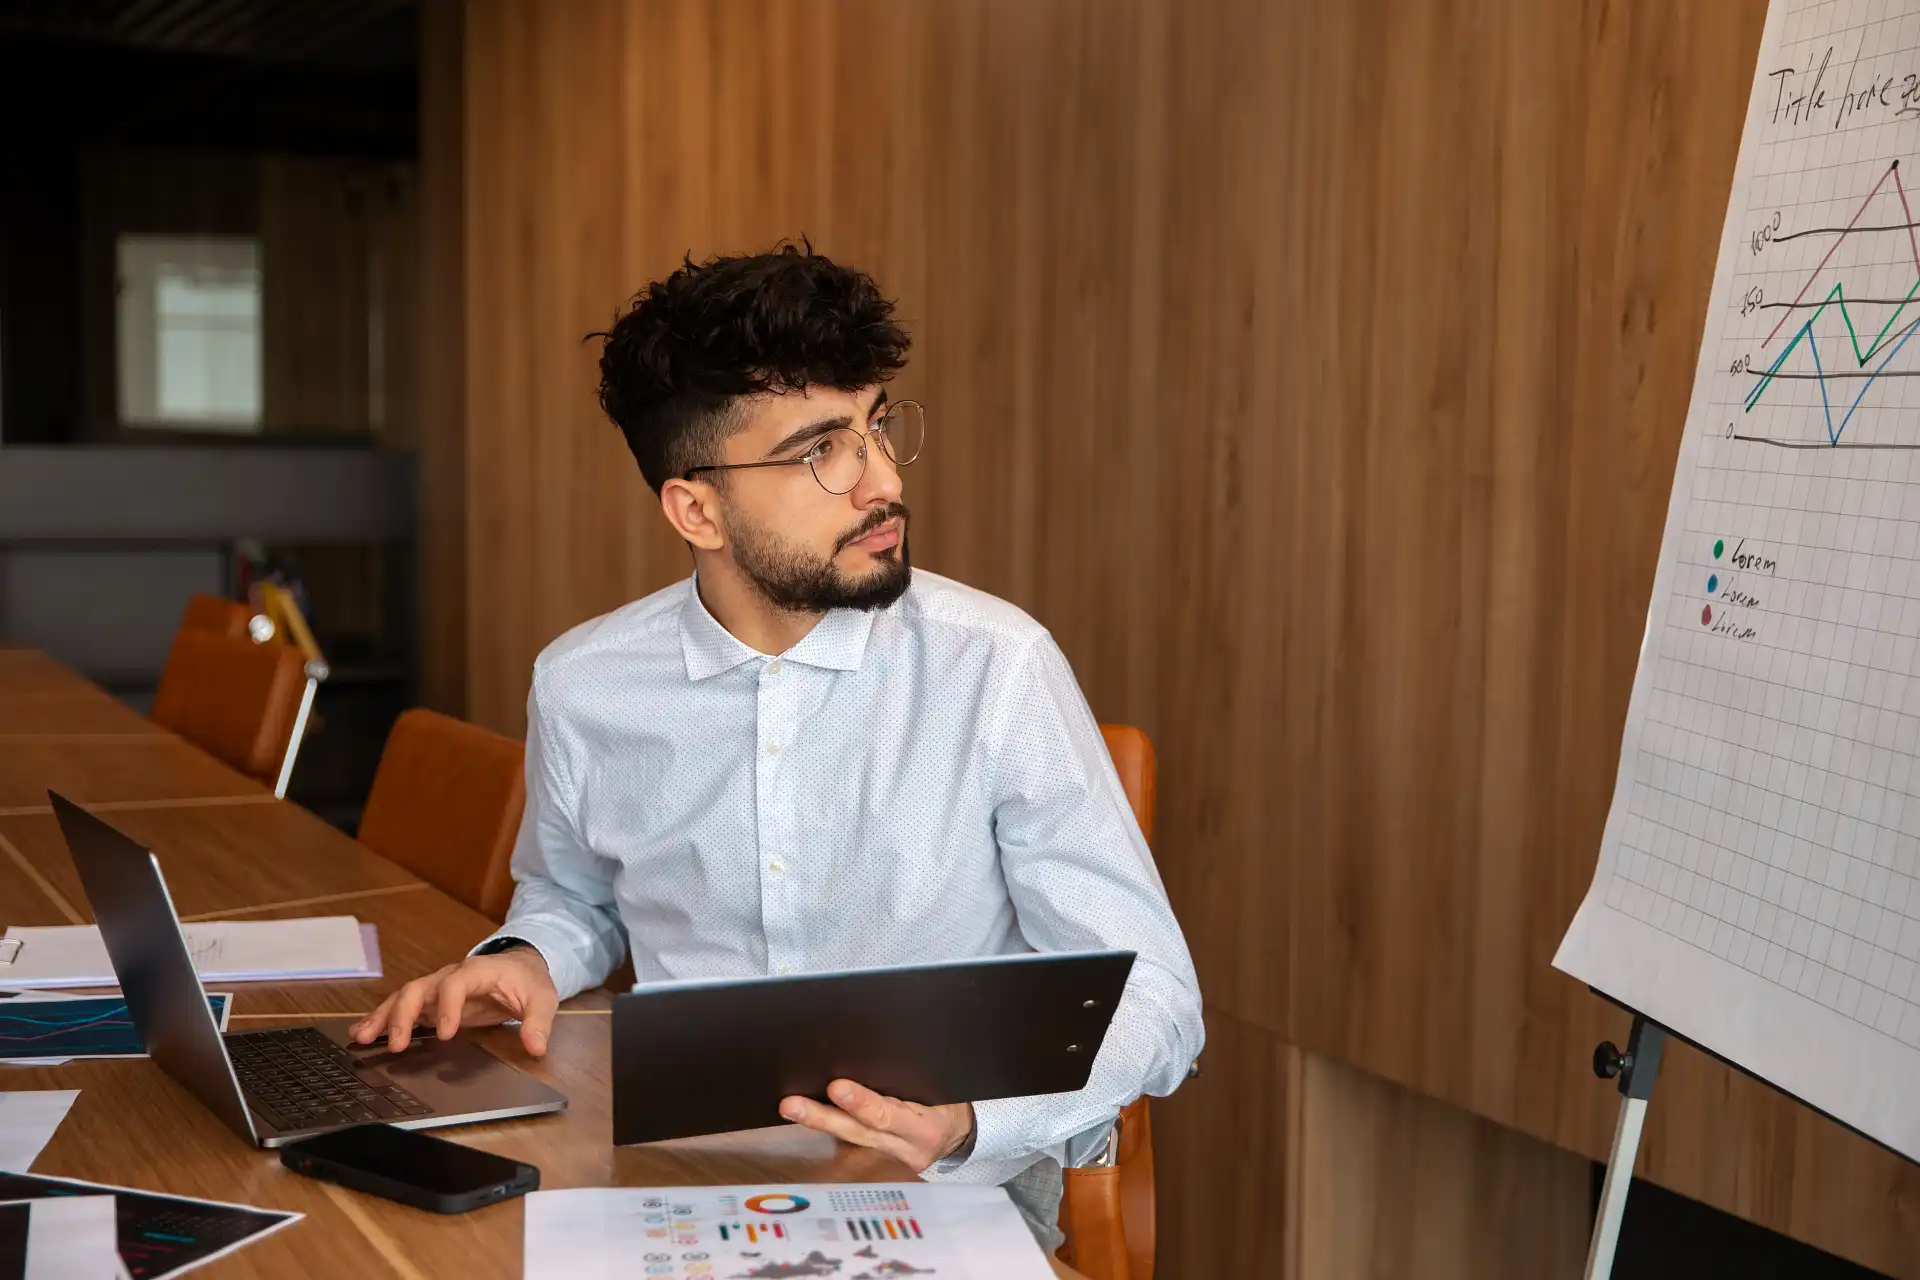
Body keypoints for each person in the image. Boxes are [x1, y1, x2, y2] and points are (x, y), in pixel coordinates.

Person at [351, 243, 1204, 1246]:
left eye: (877, 425)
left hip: (947, 1184)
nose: (880, 480)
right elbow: (573, 894)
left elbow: (1157, 994)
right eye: (820, 450)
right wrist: (530, 955)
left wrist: (972, 1120)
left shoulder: (997, 668)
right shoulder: (585, 684)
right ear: (696, 507)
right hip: (670, 1169)